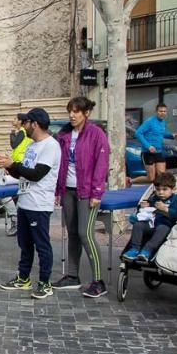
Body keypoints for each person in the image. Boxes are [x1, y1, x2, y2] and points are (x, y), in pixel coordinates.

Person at [0, 108, 61, 299]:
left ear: (35, 124)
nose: (23, 126)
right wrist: (9, 167)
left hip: (39, 203)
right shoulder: (31, 146)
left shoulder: (50, 146)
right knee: (24, 243)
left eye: (25, 123)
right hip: (25, 200)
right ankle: (23, 277)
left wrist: (13, 166)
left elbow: (37, 174)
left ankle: (45, 282)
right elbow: (24, 171)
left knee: (42, 244)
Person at [54, 96, 110, 298]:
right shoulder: (64, 134)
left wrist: (97, 192)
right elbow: (60, 165)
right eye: (70, 110)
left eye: (76, 111)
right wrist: (58, 191)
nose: (72, 115)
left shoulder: (96, 134)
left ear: (86, 113)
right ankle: (72, 275)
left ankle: (98, 281)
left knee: (85, 233)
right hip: (68, 190)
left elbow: (101, 165)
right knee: (73, 234)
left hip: (87, 192)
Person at [122, 171, 177, 263]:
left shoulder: (176, 199)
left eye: (165, 189)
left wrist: (166, 209)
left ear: (173, 189)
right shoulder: (154, 198)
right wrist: (143, 207)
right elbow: (144, 212)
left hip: (165, 225)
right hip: (151, 223)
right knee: (138, 225)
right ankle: (134, 249)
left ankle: (147, 250)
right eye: (158, 189)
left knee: (162, 228)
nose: (161, 192)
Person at [135, 103, 177, 183]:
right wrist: (148, 146)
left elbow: (161, 133)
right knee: (151, 178)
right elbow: (138, 133)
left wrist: (171, 136)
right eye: (160, 111)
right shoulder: (150, 122)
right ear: (156, 112)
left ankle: (157, 192)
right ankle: (131, 181)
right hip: (147, 153)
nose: (162, 113)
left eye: (164, 111)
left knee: (161, 176)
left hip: (158, 152)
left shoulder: (163, 122)